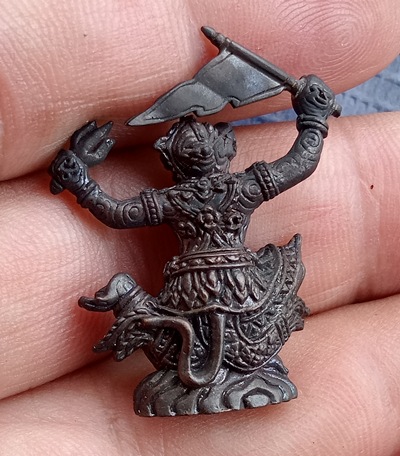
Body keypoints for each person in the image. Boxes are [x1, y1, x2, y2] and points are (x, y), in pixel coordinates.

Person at [0, 0, 399, 453]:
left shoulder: (234, 188)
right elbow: (119, 213)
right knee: (198, 336)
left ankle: (230, 372)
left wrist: (312, 118)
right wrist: (81, 183)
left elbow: (299, 164)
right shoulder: (195, 195)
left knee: (222, 332)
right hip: (196, 288)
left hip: (227, 284)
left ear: (224, 147)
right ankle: (207, 372)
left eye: (203, 137)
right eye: (188, 142)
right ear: (175, 160)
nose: (197, 141)